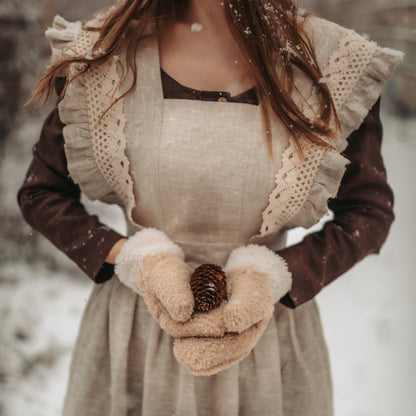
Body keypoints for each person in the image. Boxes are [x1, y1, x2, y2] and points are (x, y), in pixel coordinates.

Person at [18, 0, 403, 414]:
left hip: (268, 350)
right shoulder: (102, 52)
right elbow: (41, 194)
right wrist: (134, 259)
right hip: (133, 347)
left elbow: (368, 212)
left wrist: (275, 275)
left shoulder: (330, 61)